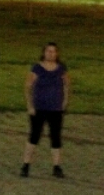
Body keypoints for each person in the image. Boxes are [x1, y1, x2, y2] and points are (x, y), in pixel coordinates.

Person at [22, 42, 70, 178]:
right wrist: (30, 105)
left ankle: (57, 166)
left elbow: (67, 84)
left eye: (54, 51)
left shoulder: (61, 68)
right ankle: (26, 165)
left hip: (55, 108)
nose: (51, 54)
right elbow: (28, 86)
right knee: (34, 136)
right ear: (44, 53)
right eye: (49, 51)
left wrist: (65, 101)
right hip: (39, 107)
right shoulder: (37, 68)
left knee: (56, 136)